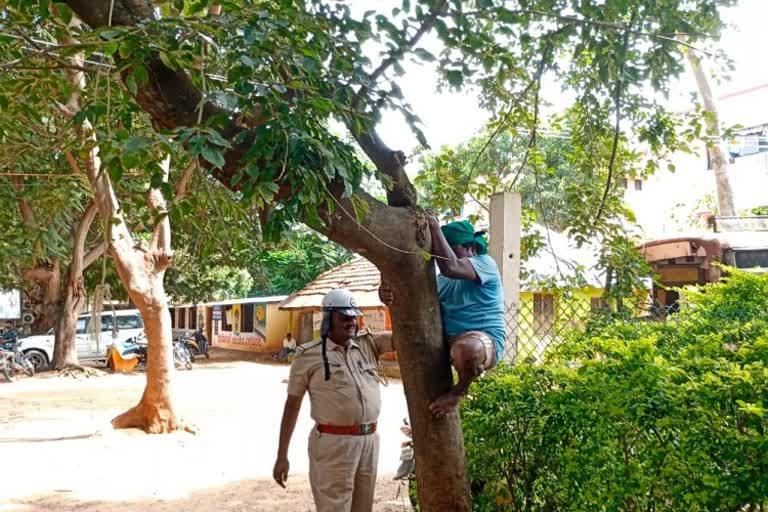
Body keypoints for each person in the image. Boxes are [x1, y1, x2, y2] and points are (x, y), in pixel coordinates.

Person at [273, 289, 393, 512]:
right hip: (332, 443)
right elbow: (292, 406)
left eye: (353, 317)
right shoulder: (307, 355)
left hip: (369, 441)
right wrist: (282, 455)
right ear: (328, 319)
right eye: (344, 317)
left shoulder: (368, 345)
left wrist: (393, 300)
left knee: (363, 508)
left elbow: (402, 339)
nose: (351, 322)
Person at [379, 217, 504, 418]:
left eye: (453, 250)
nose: (446, 257)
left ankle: (458, 392)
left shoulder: (485, 263)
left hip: (483, 340)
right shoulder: (441, 281)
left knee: (466, 350)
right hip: (447, 343)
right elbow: (410, 300)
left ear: (472, 248)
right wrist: (386, 292)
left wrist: (434, 227)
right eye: (443, 252)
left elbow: (451, 267)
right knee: (402, 342)